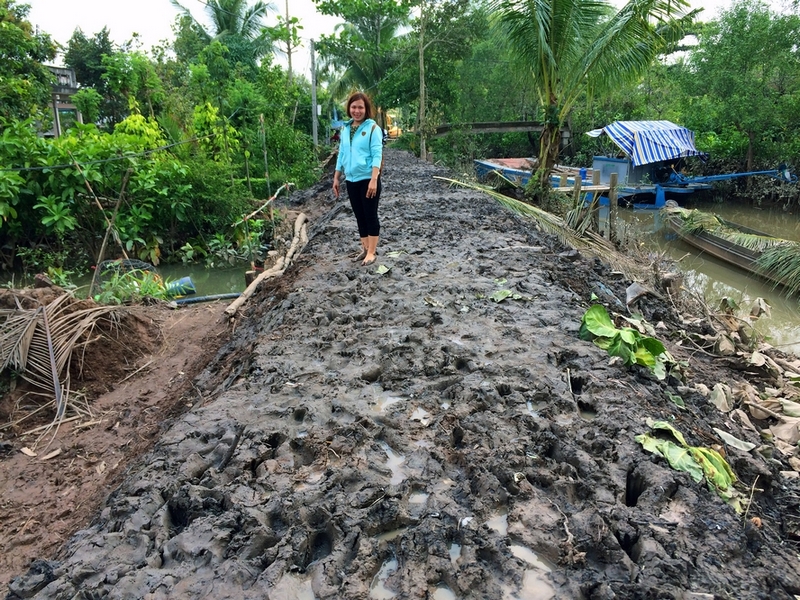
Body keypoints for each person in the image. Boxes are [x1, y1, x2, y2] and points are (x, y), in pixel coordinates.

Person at [333, 91, 383, 266]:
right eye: (354, 107)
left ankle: (372, 252)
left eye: (360, 107)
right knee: (359, 216)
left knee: (370, 215)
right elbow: (342, 154)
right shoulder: (345, 129)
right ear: (349, 108)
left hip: (368, 179)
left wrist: (374, 179)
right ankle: (364, 248)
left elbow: (377, 155)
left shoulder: (373, 129)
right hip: (351, 179)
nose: (357, 111)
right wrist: (337, 177)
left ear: (366, 109)